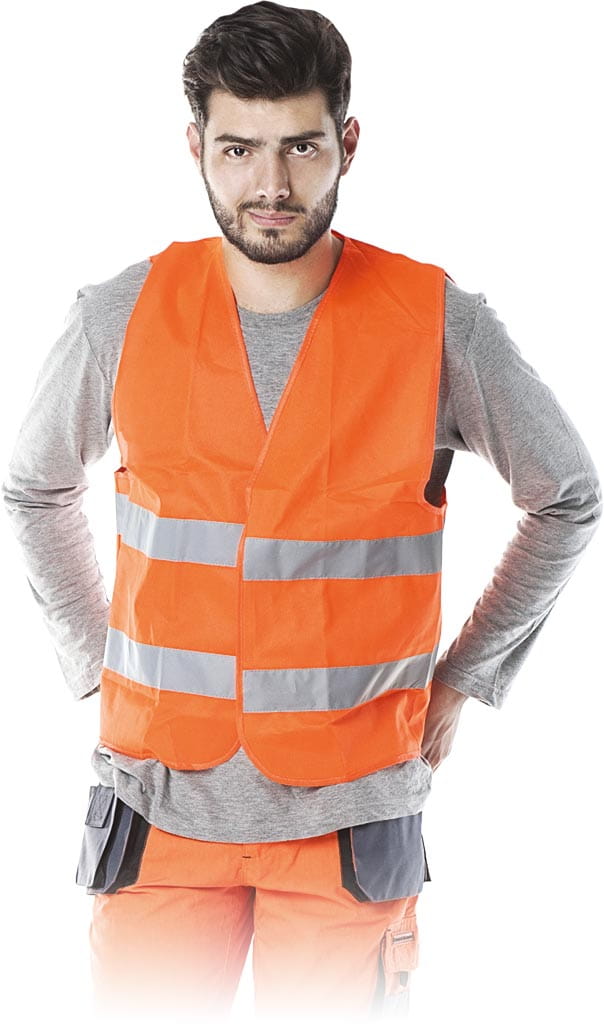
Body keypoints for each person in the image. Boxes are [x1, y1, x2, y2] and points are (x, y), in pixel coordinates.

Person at [2, 2, 601, 1021]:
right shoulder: (120, 314)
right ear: (196, 146)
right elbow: (33, 485)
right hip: (155, 809)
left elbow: (568, 496)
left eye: (301, 147)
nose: (270, 185)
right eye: (238, 149)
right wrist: (94, 658)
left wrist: (464, 680)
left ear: (346, 143)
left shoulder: (437, 323)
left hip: (351, 821)